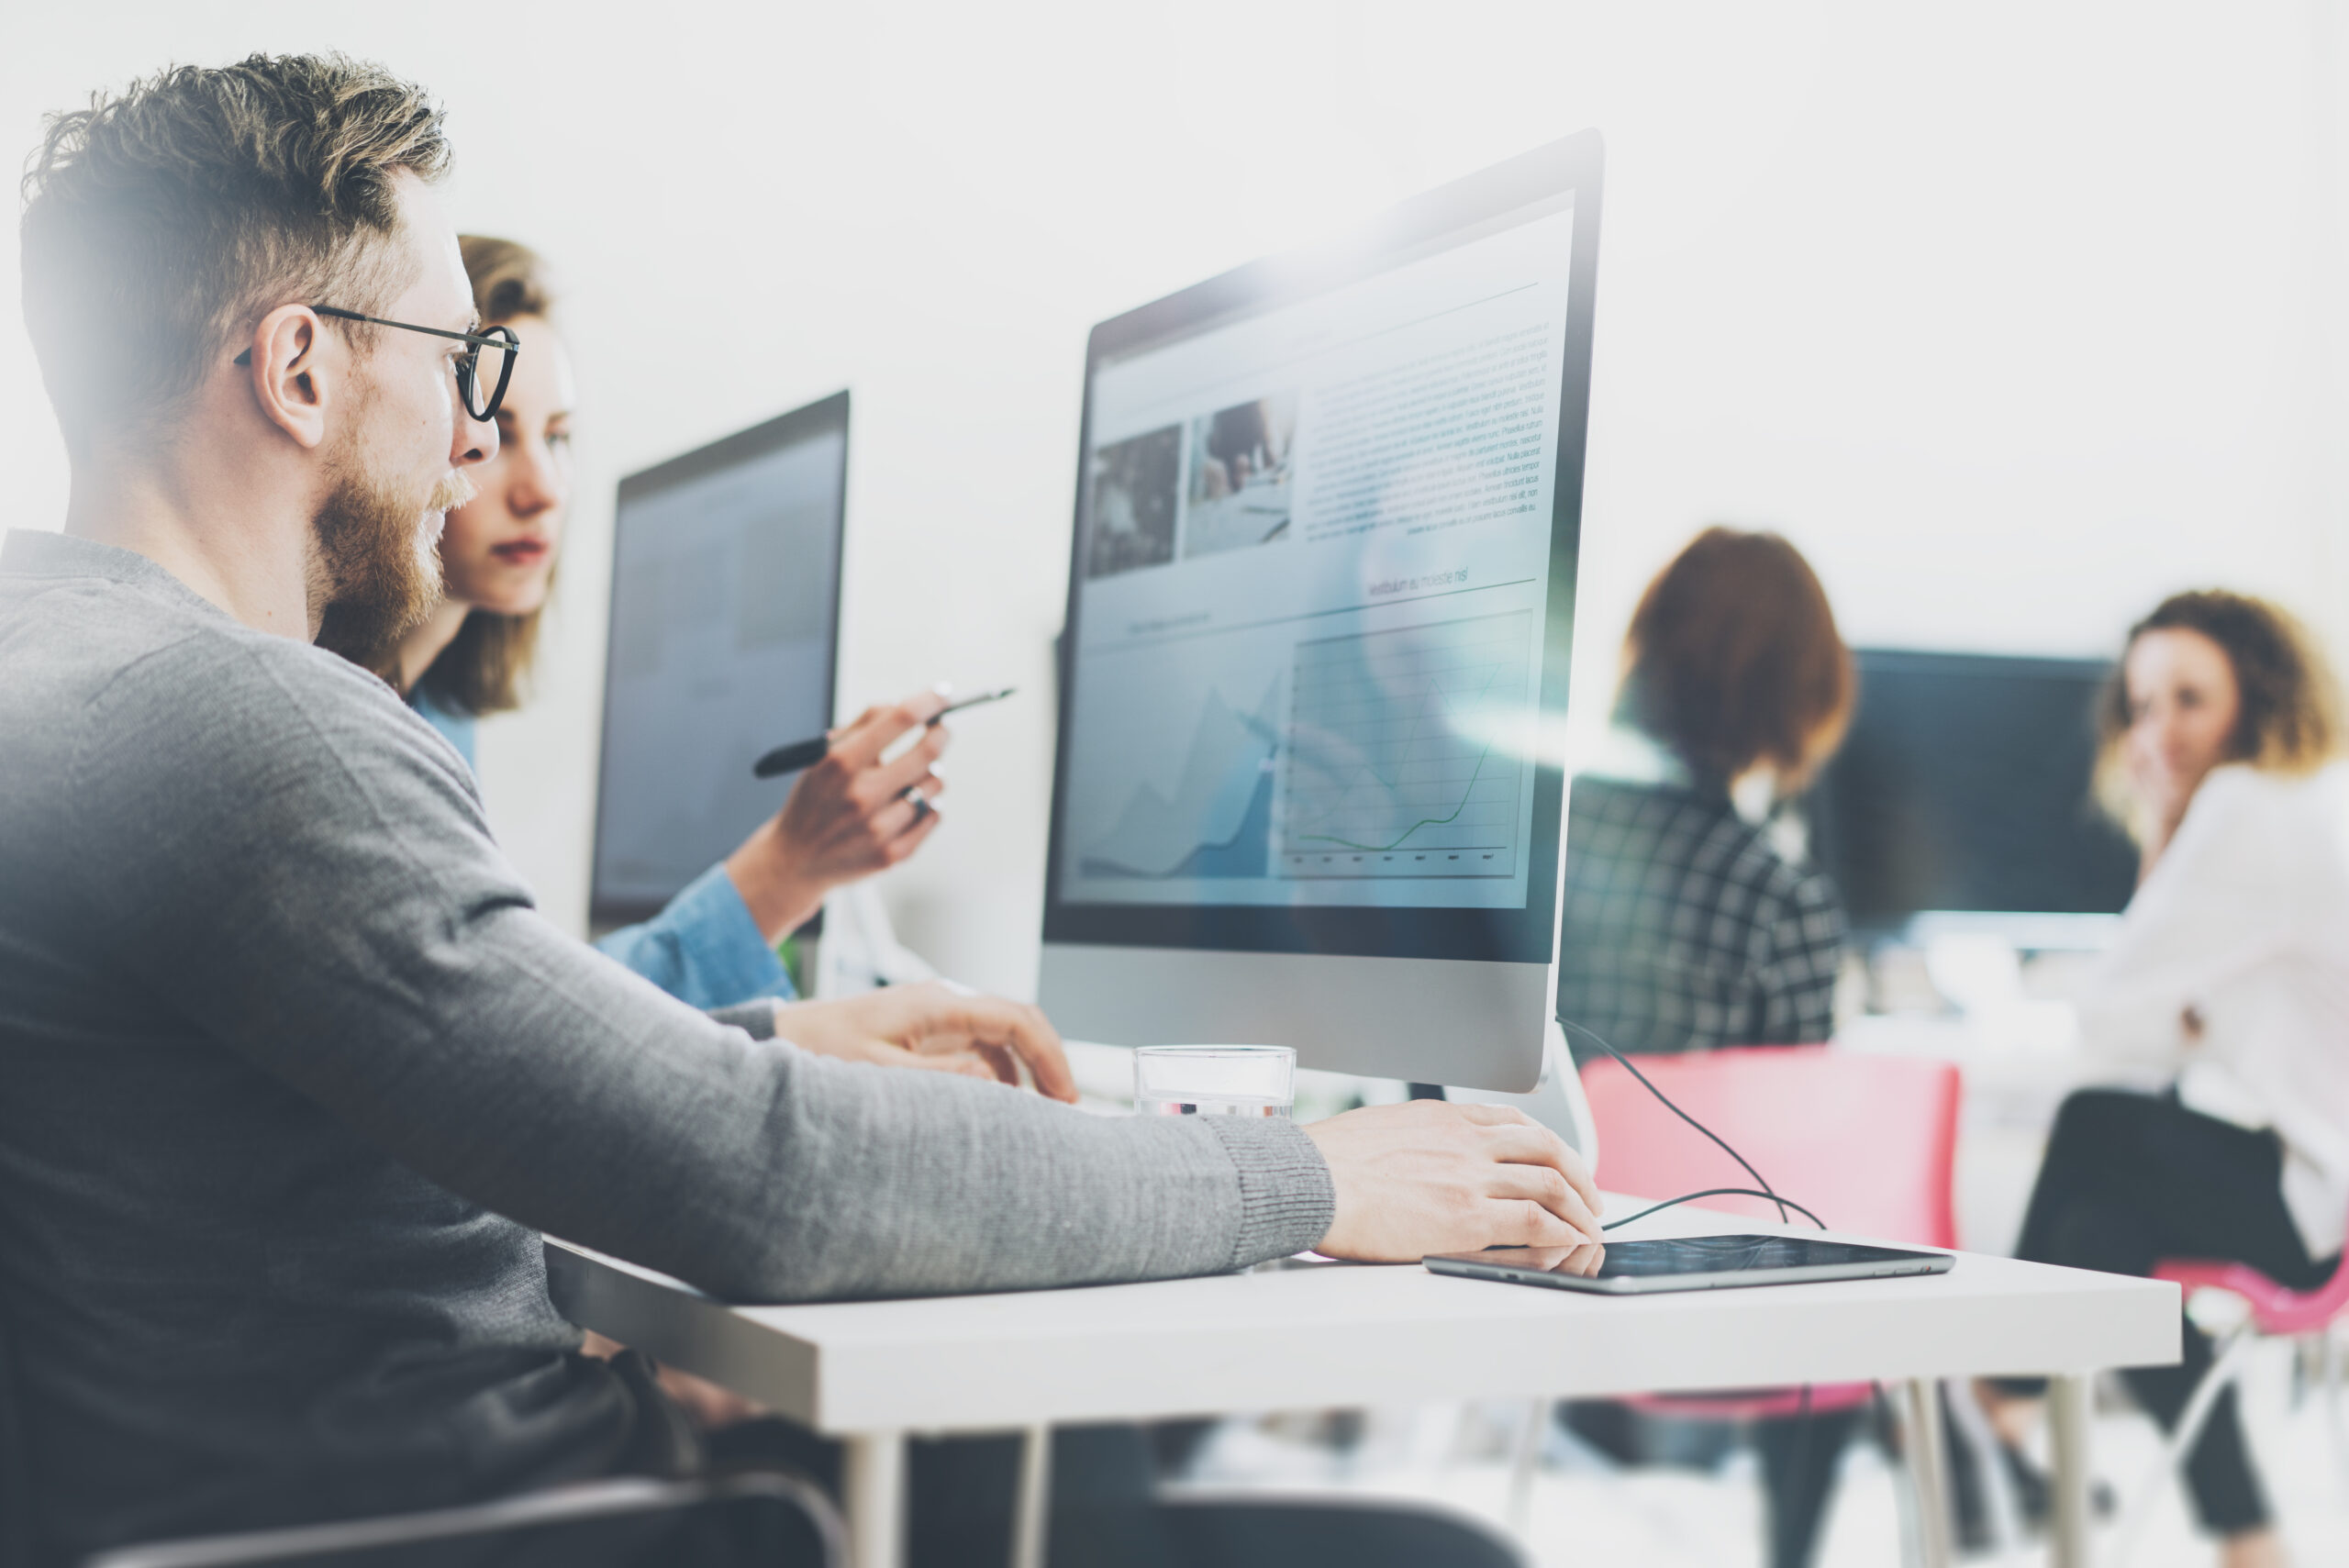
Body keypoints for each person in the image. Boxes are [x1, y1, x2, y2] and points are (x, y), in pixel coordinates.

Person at [0, 53, 1607, 1567]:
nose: (477, 433)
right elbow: (768, 1188)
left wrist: (751, 1051)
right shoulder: (251, 724)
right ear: (296, 368)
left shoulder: (55, 660)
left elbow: (334, 1131)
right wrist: (1328, 1179)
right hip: (523, 1525)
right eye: (461, 364)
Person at [323, 237, 939, 1011]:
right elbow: (511, 1025)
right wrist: (784, 869)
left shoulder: (440, 711)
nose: (543, 488)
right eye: (499, 429)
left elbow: (521, 991)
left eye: (559, 438)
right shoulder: (343, 722)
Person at [1977, 590, 2349, 1568]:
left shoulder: (2244, 806)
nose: (2159, 730)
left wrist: (2157, 822)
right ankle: (2248, 1534)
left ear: (2255, 697)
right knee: (2101, 1235)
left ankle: (1998, 1388)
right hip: (2317, 1187)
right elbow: (2161, 1027)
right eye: (2141, 706)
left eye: (2189, 698)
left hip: (2318, 1201)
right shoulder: (2302, 796)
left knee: (2093, 1120)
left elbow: (2113, 1022)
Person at [1547, 528, 1857, 1568]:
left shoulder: (1539, 849)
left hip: (1514, 1253)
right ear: (1799, 694)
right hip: (1691, 1290)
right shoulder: (1779, 894)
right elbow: (1794, 1160)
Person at [1554, 526, 1855, 1059]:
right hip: (1674, 1146)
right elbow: (1792, 1129)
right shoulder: (1782, 903)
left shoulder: (1540, 838)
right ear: (1798, 690)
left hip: (1508, 1143)